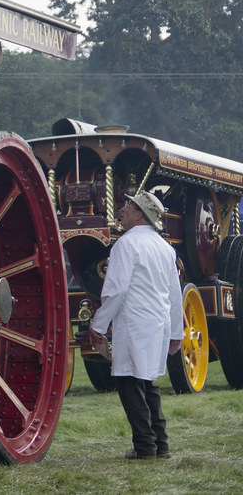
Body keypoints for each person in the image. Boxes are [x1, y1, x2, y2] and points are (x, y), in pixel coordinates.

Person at [89, 190, 184, 460]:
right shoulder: (166, 248)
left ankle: (145, 447)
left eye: (129, 206)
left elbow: (116, 291)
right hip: (156, 324)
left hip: (134, 323)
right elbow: (174, 293)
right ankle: (160, 444)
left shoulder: (126, 245)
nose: (123, 209)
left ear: (141, 213)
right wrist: (176, 333)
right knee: (148, 382)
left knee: (129, 383)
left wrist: (98, 325)